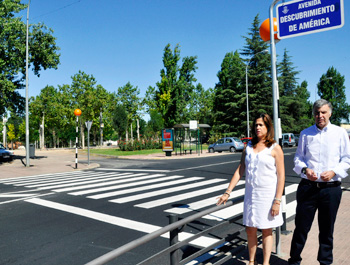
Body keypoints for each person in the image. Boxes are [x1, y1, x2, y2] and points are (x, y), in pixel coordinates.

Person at [217, 113, 285, 265]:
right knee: (250, 228)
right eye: (256, 125)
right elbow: (240, 170)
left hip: (267, 196)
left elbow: (281, 177)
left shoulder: (275, 148)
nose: (258, 128)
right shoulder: (248, 147)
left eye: (261, 125)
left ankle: (266, 262)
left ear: (268, 127)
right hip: (251, 195)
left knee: (267, 230)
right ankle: (252, 260)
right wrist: (228, 192)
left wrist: (277, 200)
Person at [288, 99, 350, 265]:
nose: (320, 116)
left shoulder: (340, 133)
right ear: (313, 114)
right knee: (301, 228)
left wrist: (334, 172)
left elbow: (347, 159)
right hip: (308, 188)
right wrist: (305, 169)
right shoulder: (305, 133)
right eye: (317, 113)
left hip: (331, 190)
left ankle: (325, 262)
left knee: (326, 231)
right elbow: (298, 158)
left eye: (323, 112)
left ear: (330, 113)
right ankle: (294, 261)